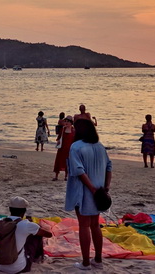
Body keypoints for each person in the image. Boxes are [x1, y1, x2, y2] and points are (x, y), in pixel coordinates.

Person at [64, 118, 111, 270]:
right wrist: (105, 187)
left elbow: (79, 171)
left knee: (84, 225)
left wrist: (91, 189)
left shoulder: (76, 147)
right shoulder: (100, 146)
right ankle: (98, 259)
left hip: (84, 191)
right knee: (95, 225)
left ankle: (85, 262)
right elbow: (109, 167)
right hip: (100, 191)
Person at [0, 196, 52, 274]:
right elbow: (49, 234)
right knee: (36, 234)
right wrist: (38, 226)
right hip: (18, 268)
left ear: (10, 209)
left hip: (0, 266)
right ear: (24, 211)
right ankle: (38, 258)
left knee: (24, 235)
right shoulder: (26, 225)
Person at [52, 115, 75, 181]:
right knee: (58, 161)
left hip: (69, 149)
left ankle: (66, 176)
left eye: (68, 121)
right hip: (62, 148)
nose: (66, 123)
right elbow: (59, 138)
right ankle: (56, 176)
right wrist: (58, 141)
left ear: (71, 122)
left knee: (67, 162)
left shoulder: (73, 130)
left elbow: (74, 141)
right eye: (65, 121)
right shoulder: (63, 129)